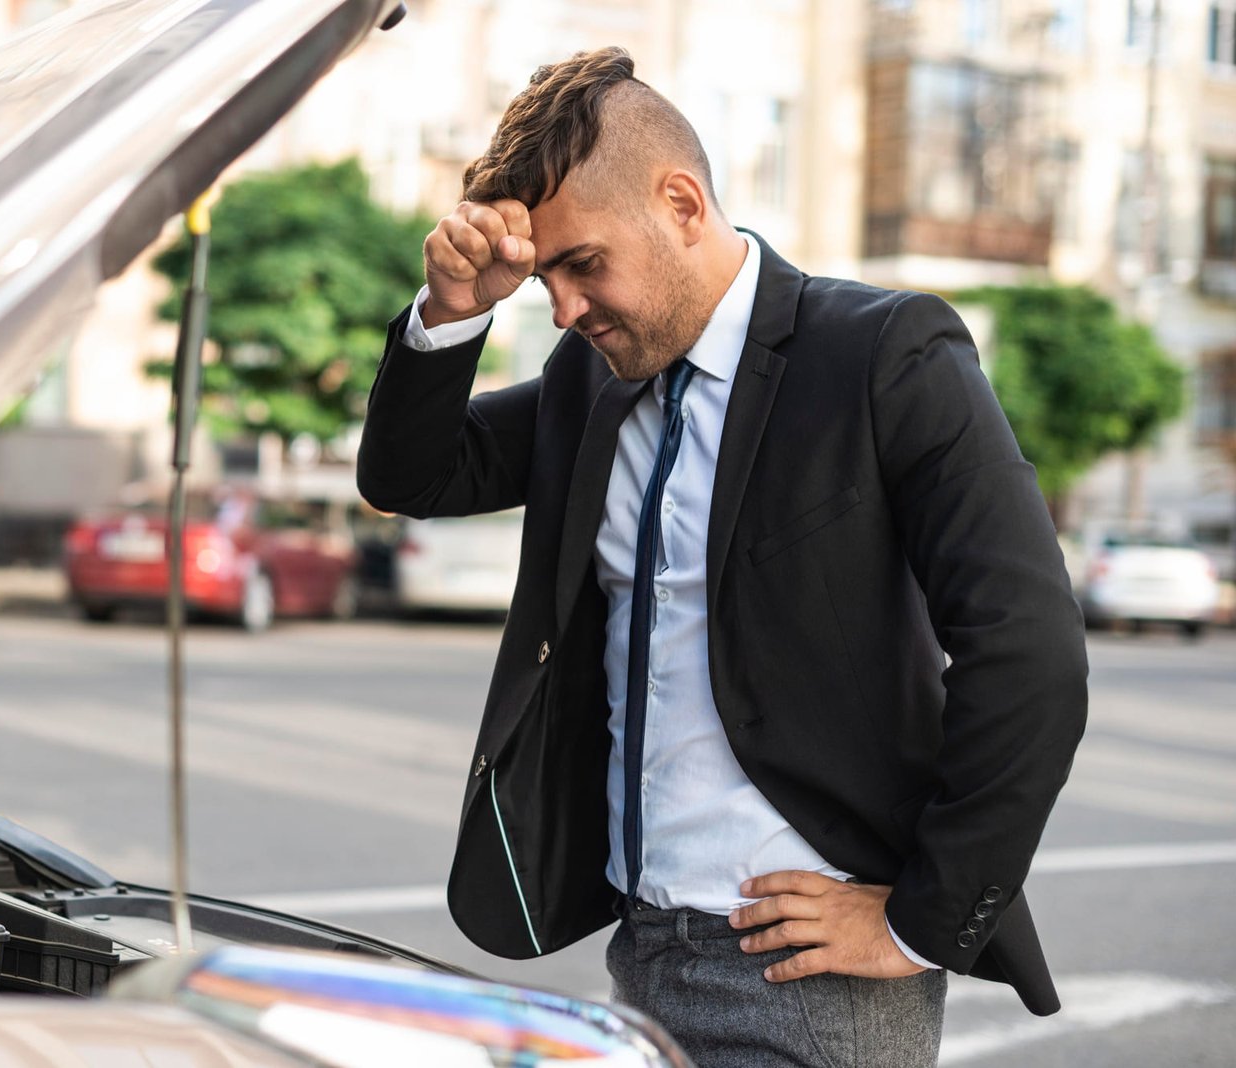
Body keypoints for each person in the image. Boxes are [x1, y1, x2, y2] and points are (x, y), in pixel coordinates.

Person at [357, 46, 1089, 1067]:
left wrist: (918, 920)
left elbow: (1031, 651)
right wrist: (450, 317)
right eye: (547, 276)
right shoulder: (592, 378)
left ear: (682, 205)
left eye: (582, 264)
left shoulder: (884, 355)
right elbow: (415, 478)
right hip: (640, 950)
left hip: (810, 979)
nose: (562, 307)